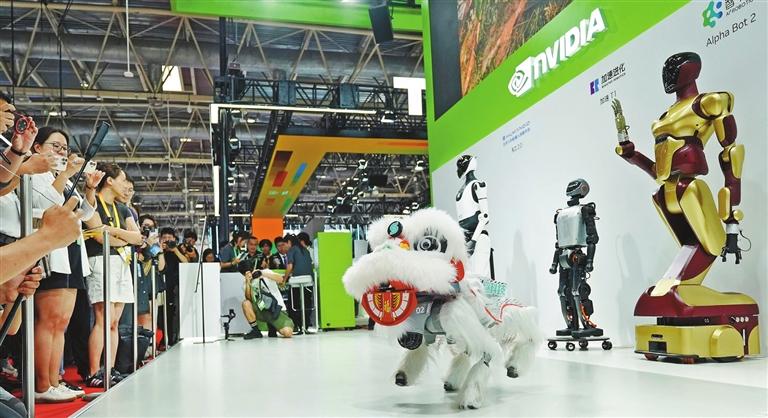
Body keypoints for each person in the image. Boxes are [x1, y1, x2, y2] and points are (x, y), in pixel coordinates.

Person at [29, 127, 103, 402]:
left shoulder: (62, 178)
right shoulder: (32, 173)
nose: (61, 152)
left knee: (61, 321)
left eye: (64, 147)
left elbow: (86, 214)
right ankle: (41, 384)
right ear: (37, 147)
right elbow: (47, 204)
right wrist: (65, 174)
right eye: (55, 146)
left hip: (71, 249)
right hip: (51, 250)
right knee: (48, 320)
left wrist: (90, 189)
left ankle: (54, 380)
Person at [83, 162, 143, 387]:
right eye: (123, 179)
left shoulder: (123, 209)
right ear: (109, 180)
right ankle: (93, 372)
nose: (126, 185)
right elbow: (99, 236)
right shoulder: (93, 202)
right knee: (103, 319)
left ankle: (109, 369)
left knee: (114, 322)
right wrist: (122, 237)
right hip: (100, 260)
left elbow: (137, 238)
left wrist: (113, 231)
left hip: (121, 263)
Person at [241, 269, 293, 339]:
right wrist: (248, 282)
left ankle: (273, 325)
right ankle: (256, 331)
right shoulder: (246, 281)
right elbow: (249, 298)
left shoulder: (266, 271)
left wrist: (262, 273)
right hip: (261, 309)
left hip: (275, 309)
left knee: (287, 333)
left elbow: (281, 279)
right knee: (246, 303)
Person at [283, 232, 315, 334]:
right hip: (309, 281)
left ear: (289, 242)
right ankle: (305, 326)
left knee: (294, 303)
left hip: (296, 281)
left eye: (284, 244)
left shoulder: (292, 250)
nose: (284, 247)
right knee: (307, 302)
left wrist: (284, 280)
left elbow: (290, 266)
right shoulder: (306, 250)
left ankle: (296, 325)